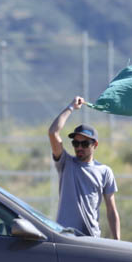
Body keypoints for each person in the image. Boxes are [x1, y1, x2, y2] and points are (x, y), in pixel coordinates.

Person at [48, 97, 120, 238]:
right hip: (66, 236)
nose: (79, 147)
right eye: (76, 143)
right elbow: (53, 133)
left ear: (95, 145)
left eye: (85, 144)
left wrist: (117, 241)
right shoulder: (65, 163)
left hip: (91, 238)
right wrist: (71, 107)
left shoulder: (105, 171)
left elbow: (111, 210)